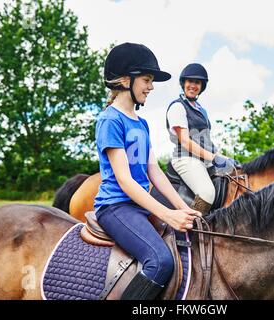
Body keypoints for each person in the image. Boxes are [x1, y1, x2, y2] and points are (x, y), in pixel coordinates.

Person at [94, 43, 201, 300]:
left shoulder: (141, 123)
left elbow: (154, 171)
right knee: (160, 261)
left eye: (151, 81)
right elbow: (125, 180)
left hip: (138, 207)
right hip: (116, 207)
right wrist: (166, 214)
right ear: (124, 80)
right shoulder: (110, 120)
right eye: (146, 80)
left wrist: (181, 208)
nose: (151, 87)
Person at [166, 63, 239, 214]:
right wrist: (214, 158)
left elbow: (206, 140)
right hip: (185, 158)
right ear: (183, 83)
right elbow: (185, 141)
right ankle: (190, 230)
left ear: (202, 86)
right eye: (190, 81)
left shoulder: (202, 110)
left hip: (203, 159)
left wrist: (223, 157)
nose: (193, 85)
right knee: (207, 193)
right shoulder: (177, 107)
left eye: (197, 82)